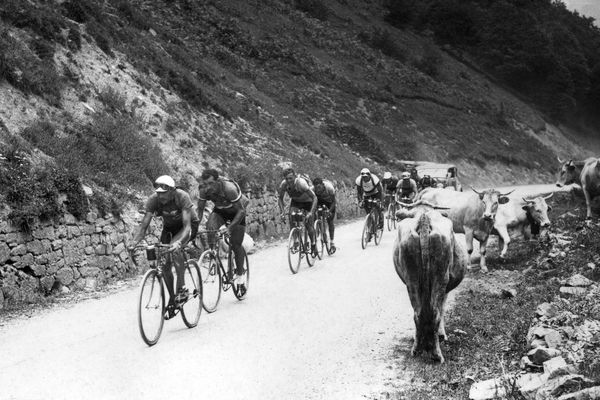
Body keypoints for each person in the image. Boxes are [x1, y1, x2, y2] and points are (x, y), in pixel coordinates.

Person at [130, 175, 200, 318]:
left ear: (172, 190)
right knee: (165, 264)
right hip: (169, 228)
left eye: (164, 193)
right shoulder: (153, 200)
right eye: (159, 193)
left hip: (188, 226)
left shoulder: (182, 197)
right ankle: (173, 298)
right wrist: (133, 243)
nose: (160, 196)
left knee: (173, 250)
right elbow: (144, 226)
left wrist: (178, 243)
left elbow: (187, 227)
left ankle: (182, 289)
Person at [197, 169, 249, 287]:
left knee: (236, 244)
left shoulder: (229, 189)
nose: (208, 187)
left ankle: (240, 278)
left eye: (211, 183)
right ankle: (213, 256)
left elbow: (241, 211)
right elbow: (200, 211)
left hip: (237, 212)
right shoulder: (203, 190)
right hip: (220, 210)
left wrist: (229, 228)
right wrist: (194, 228)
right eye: (205, 184)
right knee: (210, 227)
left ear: (218, 181)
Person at [278, 168, 318, 256]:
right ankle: (296, 241)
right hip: (296, 202)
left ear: (295, 177)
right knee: (291, 216)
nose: (288, 181)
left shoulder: (301, 183)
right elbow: (280, 199)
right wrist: (282, 212)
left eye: (290, 178)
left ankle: (313, 245)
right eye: (286, 178)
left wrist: (311, 212)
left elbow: (315, 198)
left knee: (308, 224)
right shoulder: (284, 184)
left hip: (308, 202)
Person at [312, 177, 337, 253]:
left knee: (330, 220)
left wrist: (329, 211)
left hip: (329, 202)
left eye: (319, 187)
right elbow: (311, 202)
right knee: (314, 214)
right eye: (316, 188)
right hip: (319, 201)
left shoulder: (329, 188)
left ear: (323, 185)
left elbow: (334, 202)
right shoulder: (312, 189)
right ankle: (319, 228)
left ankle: (332, 243)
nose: (318, 189)